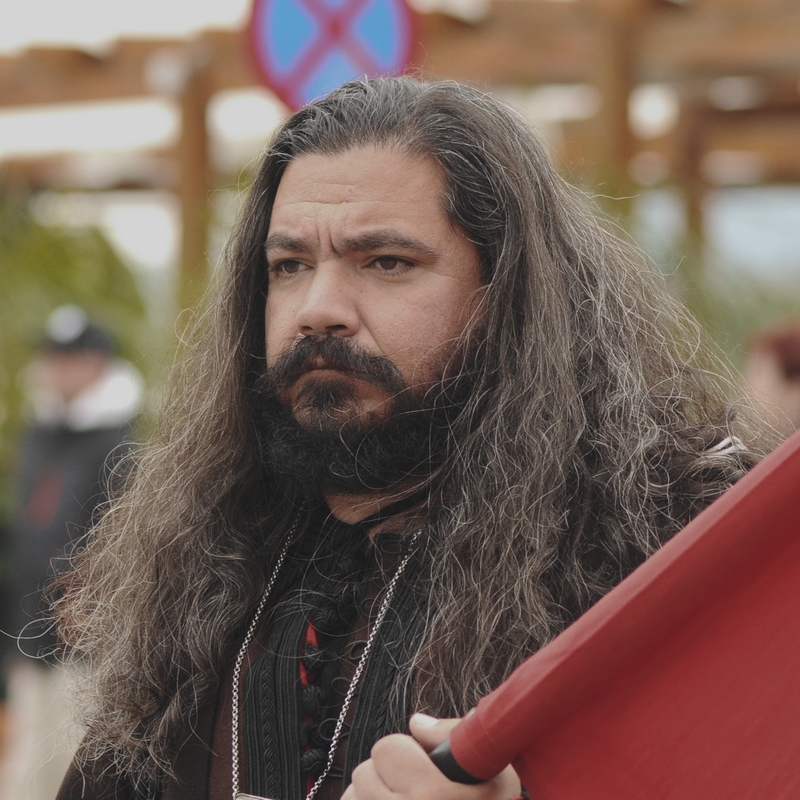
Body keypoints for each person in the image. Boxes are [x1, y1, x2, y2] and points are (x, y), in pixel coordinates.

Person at [55, 77, 760, 800]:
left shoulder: (659, 560)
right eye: (290, 266)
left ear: (506, 299)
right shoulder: (206, 568)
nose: (318, 309)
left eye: (387, 262)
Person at [2, 305, 142, 800]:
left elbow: (121, 548)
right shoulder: (39, 435)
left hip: (81, 649)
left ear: (96, 362)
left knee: (67, 770)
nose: (59, 369)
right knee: (24, 772)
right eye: (54, 357)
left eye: (72, 358)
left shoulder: (118, 445)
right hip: (28, 635)